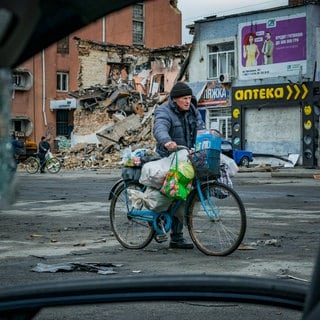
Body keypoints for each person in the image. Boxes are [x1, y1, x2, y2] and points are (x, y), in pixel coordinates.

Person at [153, 82, 205, 249]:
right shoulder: (164, 111)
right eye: (184, 98)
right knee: (170, 192)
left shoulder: (192, 111)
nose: (188, 101)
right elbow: (160, 127)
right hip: (167, 155)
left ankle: (176, 237)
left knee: (185, 195)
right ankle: (157, 221)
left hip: (186, 156)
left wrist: (208, 138)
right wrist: (166, 141)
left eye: (189, 98)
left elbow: (201, 128)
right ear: (175, 99)